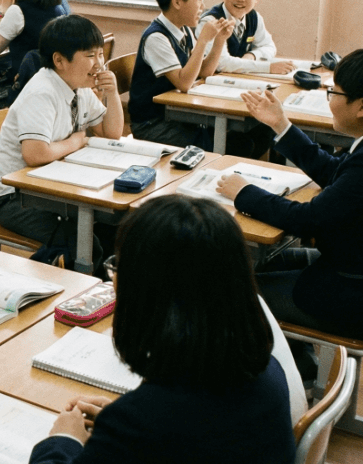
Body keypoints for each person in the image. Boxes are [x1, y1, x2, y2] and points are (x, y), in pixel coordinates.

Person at [31, 195, 296, 464]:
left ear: (145, 295)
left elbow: (163, 429)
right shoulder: (268, 370)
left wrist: (64, 439)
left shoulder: (141, 425)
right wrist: (124, 418)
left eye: (117, 269)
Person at [216, 48, 363, 344]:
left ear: (361, 107)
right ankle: (297, 358)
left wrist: (244, 192)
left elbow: (306, 221)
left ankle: (277, 372)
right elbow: (335, 171)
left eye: (334, 92)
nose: (329, 99)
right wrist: (281, 125)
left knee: (229, 295)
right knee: (263, 263)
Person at [0, 16, 122, 267]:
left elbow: (111, 133)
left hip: (48, 185)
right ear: (59, 60)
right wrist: (77, 141)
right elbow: (35, 154)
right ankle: (77, 297)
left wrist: (112, 94)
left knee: (114, 224)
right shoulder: (42, 91)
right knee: (83, 242)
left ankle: (106, 291)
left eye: (101, 54)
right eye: (90, 56)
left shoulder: (78, 86)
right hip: (14, 197)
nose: (99, 63)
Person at [127, 0, 231, 150]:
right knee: (214, 145)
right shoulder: (156, 37)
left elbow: (204, 72)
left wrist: (219, 41)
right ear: (177, 2)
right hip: (152, 124)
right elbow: (184, 83)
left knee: (239, 139)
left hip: (176, 116)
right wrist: (203, 40)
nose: (203, 6)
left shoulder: (183, 30)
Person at [198, 0, 294, 74]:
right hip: (208, 82)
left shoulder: (254, 17)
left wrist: (252, 55)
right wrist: (268, 68)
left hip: (237, 79)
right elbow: (222, 63)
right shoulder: (210, 21)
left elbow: (269, 46)